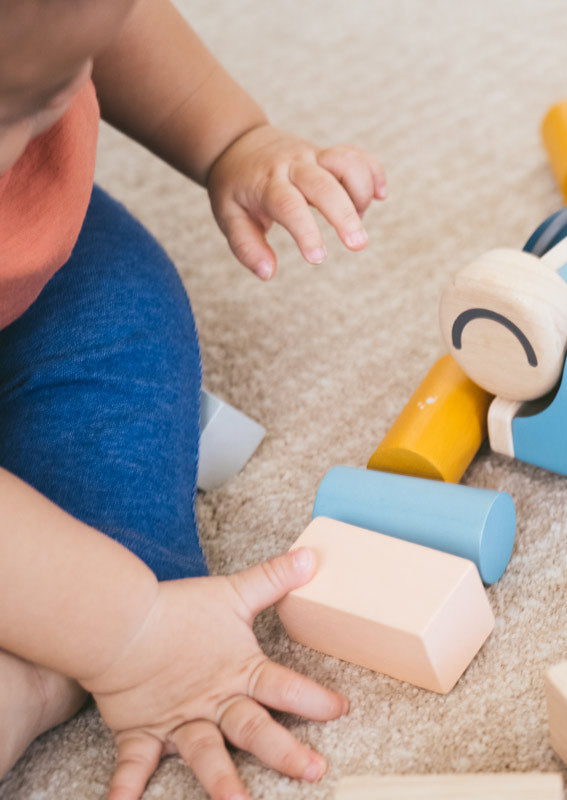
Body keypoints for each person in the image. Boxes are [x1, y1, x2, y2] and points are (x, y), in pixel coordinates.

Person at [0, 0, 387, 797]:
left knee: (123, 316)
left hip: (30, 268)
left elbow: (104, 21)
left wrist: (232, 140)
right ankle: (39, 678)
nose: (38, 127)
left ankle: (88, 601)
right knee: (99, 607)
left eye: (51, 98)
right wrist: (127, 635)